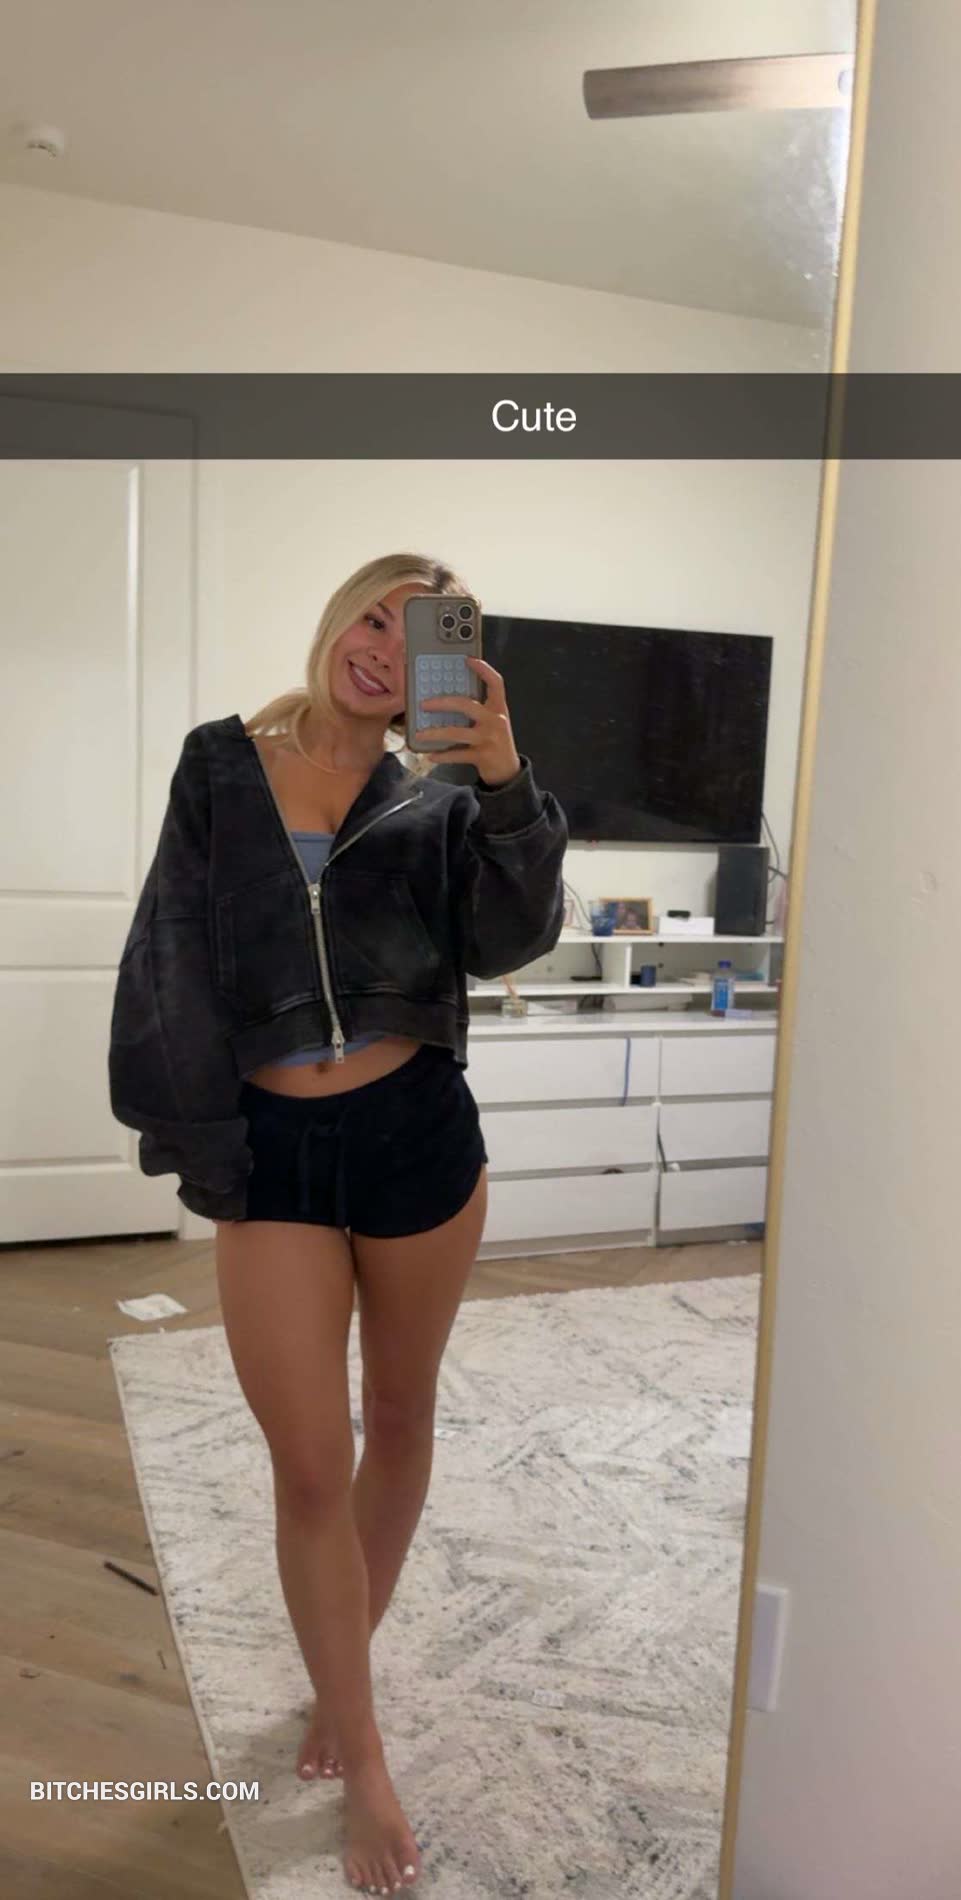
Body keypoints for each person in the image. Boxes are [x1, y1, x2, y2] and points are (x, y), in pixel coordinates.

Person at [107, 552, 568, 1894]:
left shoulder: (444, 792)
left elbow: (512, 939)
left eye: (417, 634)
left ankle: (339, 1686)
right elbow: (170, 957)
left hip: (418, 1133)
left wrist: (505, 782)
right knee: (310, 1466)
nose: (382, 648)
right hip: (277, 1154)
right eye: (374, 615)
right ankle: (363, 1754)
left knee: (402, 1418)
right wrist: (200, 1144)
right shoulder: (221, 763)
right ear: (339, 617)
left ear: (447, 661)